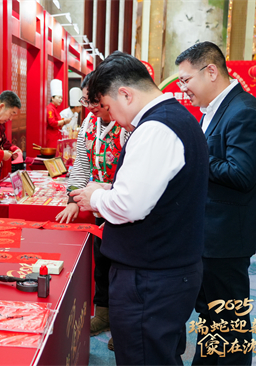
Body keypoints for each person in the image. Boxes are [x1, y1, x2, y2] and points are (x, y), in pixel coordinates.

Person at [72, 51, 209, 365]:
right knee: (158, 353)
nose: (111, 117)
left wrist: (95, 196)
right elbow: (157, 191)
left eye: (106, 107)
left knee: (143, 356)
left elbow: (129, 205)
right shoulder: (174, 119)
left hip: (151, 276)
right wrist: (107, 189)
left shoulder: (154, 129)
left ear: (125, 93)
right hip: (166, 268)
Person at [175, 41, 256, 365]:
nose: (184, 88)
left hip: (228, 235)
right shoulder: (219, 109)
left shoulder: (244, 111)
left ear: (211, 71)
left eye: (187, 80)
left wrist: (194, 155)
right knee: (212, 312)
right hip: (212, 231)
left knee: (229, 318)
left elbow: (241, 174)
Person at [55, 72, 127, 350]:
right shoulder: (89, 122)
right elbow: (81, 165)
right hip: (99, 206)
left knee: (124, 268)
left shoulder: (128, 124)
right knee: (103, 263)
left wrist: (106, 192)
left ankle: (123, 325)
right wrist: (74, 197)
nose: (89, 106)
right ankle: (104, 314)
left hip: (124, 204)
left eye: (93, 100)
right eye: (86, 99)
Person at [46, 79, 71, 148]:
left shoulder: (55, 108)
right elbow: (52, 123)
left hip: (57, 136)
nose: (60, 100)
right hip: (52, 137)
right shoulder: (50, 108)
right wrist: (63, 121)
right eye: (59, 97)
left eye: (61, 98)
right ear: (52, 98)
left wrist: (64, 122)